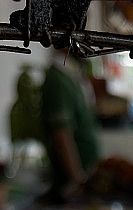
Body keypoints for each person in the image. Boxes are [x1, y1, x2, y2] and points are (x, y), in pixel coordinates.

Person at [40, 49, 101, 200]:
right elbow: (62, 135)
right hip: (73, 185)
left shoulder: (69, 74)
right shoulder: (58, 79)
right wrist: (78, 180)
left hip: (86, 176)